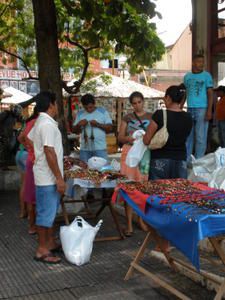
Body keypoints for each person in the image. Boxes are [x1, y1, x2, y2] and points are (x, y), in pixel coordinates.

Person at [143, 85, 192, 252]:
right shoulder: (188, 118)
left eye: (165, 97)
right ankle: (175, 240)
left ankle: (163, 243)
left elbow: (147, 140)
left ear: (169, 98)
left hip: (160, 162)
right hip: (180, 162)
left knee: (160, 200)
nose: (164, 100)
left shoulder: (159, 114)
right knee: (178, 201)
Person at [28, 91, 66, 264]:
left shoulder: (40, 122)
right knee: (45, 214)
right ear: (51, 104)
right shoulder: (47, 124)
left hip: (44, 175)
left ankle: (49, 243)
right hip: (48, 178)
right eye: (56, 103)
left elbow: (28, 140)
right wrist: (59, 178)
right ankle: (42, 250)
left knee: (48, 212)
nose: (57, 106)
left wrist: (38, 157)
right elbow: (49, 151)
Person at [118, 91, 152, 236]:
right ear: (131, 104)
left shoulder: (151, 117)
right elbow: (120, 137)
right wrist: (130, 139)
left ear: (143, 101)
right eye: (134, 103)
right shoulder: (127, 117)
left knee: (143, 188)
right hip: (129, 153)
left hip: (144, 155)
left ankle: (141, 220)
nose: (137, 105)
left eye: (139, 102)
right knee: (129, 188)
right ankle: (130, 224)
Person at [184, 54, 213, 162]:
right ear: (193, 63)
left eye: (202, 62)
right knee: (188, 136)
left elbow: (210, 94)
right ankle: (186, 162)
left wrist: (209, 110)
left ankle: (198, 162)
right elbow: (186, 92)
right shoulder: (187, 76)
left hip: (202, 109)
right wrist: (181, 105)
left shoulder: (207, 76)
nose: (201, 64)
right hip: (189, 108)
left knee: (200, 137)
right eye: (199, 61)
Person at [73, 94, 113, 163]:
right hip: (85, 149)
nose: (89, 110)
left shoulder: (103, 112)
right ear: (83, 106)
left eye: (91, 107)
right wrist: (79, 125)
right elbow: (75, 131)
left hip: (100, 148)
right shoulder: (80, 114)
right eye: (86, 108)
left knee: (102, 170)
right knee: (84, 170)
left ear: (94, 104)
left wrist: (98, 124)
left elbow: (110, 128)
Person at [18, 107, 39, 234]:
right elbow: (23, 137)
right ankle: (33, 226)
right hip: (35, 161)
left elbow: (21, 138)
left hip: (28, 158)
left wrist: (29, 147)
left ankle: (28, 220)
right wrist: (34, 148)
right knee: (34, 195)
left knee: (27, 190)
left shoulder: (31, 122)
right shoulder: (39, 122)